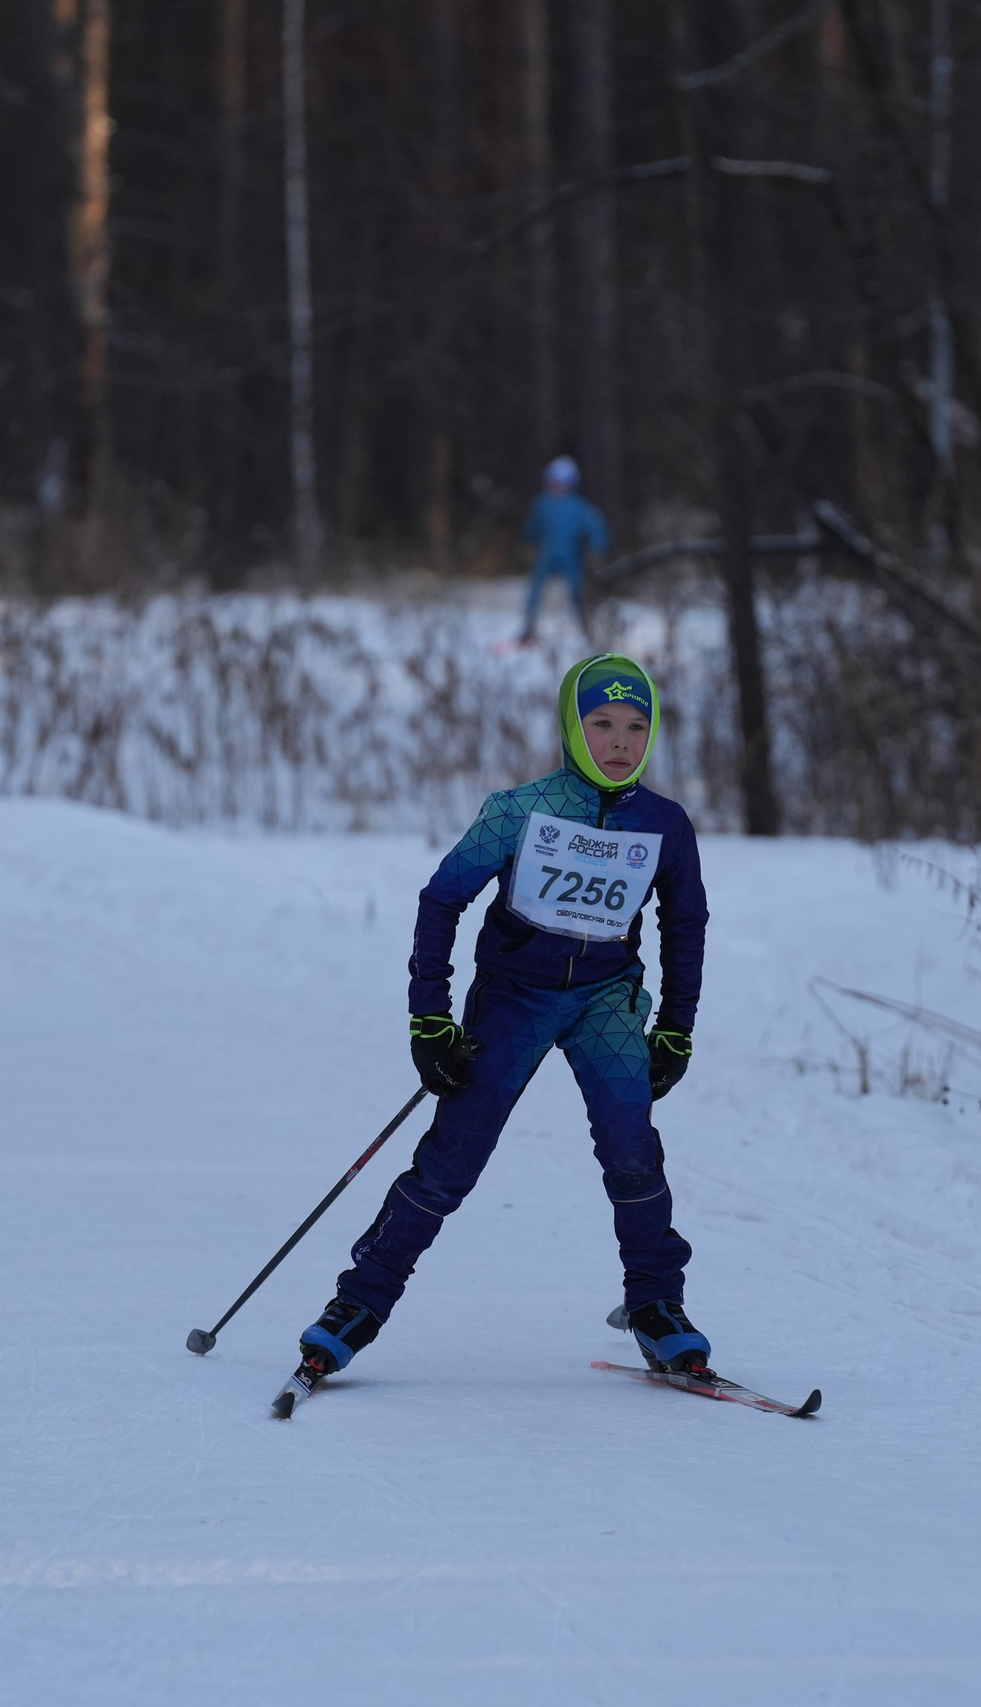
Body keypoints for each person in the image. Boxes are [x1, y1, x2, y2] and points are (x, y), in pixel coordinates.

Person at [296, 653, 712, 1382]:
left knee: (632, 1148)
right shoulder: (519, 810)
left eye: (637, 727)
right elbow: (441, 899)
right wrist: (430, 1018)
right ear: (571, 728)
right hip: (516, 998)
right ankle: (358, 1303)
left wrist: (676, 1025)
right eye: (603, 723)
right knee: (452, 1159)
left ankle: (657, 1304)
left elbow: (687, 924)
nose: (621, 741)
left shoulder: (665, 825)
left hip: (607, 999)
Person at [519, 456, 611, 644]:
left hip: (571, 557)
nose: (555, 487)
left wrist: (596, 549)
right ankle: (529, 626)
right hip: (545, 555)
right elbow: (533, 526)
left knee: (577, 592)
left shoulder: (578, 506)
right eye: (552, 482)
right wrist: (527, 542)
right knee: (536, 590)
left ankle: (586, 627)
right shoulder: (542, 503)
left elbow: (596, 527)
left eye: (559, 482)